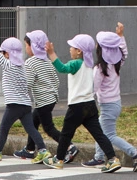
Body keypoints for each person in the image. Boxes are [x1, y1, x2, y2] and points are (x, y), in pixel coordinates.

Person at [44, 34, 128, 172]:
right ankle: (113, 159)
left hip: (77, 106)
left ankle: (58, 159)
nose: (70, 49)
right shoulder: (90, 64)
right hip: (90, 105)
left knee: (66, 134)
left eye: (72, 47)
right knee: (99, 134)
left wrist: (51, 53)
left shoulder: (75, 63)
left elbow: (62, 68)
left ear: (79, 51)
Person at [0, 28, 48, 161]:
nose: (2, 54)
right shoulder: (22, 67)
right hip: (26, 105)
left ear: (7, 54)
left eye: (3, 52)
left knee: (4, 128)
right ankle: (43, 150)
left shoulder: (8, 65)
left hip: (14, 105)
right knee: (31, 129)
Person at [86, 27, 137, 168]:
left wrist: (85, 98)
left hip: (107, 105)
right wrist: (121, 36)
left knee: (109, 135)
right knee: (100, 131)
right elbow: (124, 52)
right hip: (115, 103)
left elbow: (93, 87)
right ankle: (99, 157)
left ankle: (134, 153)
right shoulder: (116, 64)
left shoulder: (100, 68)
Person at [23, 30, 62, 158]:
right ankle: (29, 149)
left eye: (26, 45)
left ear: (33, 46)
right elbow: (56, 81)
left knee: (48, 128)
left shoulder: (30, 63)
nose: (25, 48)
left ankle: (69, 146)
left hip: (42, 101)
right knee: (33, 122)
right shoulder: (48, 61)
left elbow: (28, 84)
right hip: (51, 99)